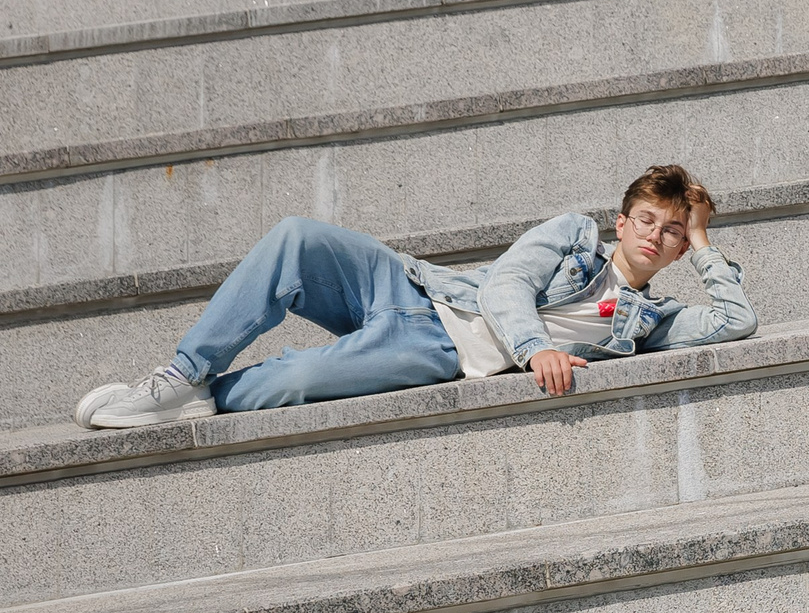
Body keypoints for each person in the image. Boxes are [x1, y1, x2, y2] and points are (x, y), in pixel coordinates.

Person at [76, 165, 755, 428]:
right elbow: (507, 283)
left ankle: (203, 397)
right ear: (621, 221)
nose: (656, 235)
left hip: (432, 347)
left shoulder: (648, 321)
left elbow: (735, 319)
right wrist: (536, 349)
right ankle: (179, 374)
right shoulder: (573, 236)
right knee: (295, 238)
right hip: (414, 285)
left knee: (297, 380)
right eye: (647, 220)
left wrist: (702, 239)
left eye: (672, 231)